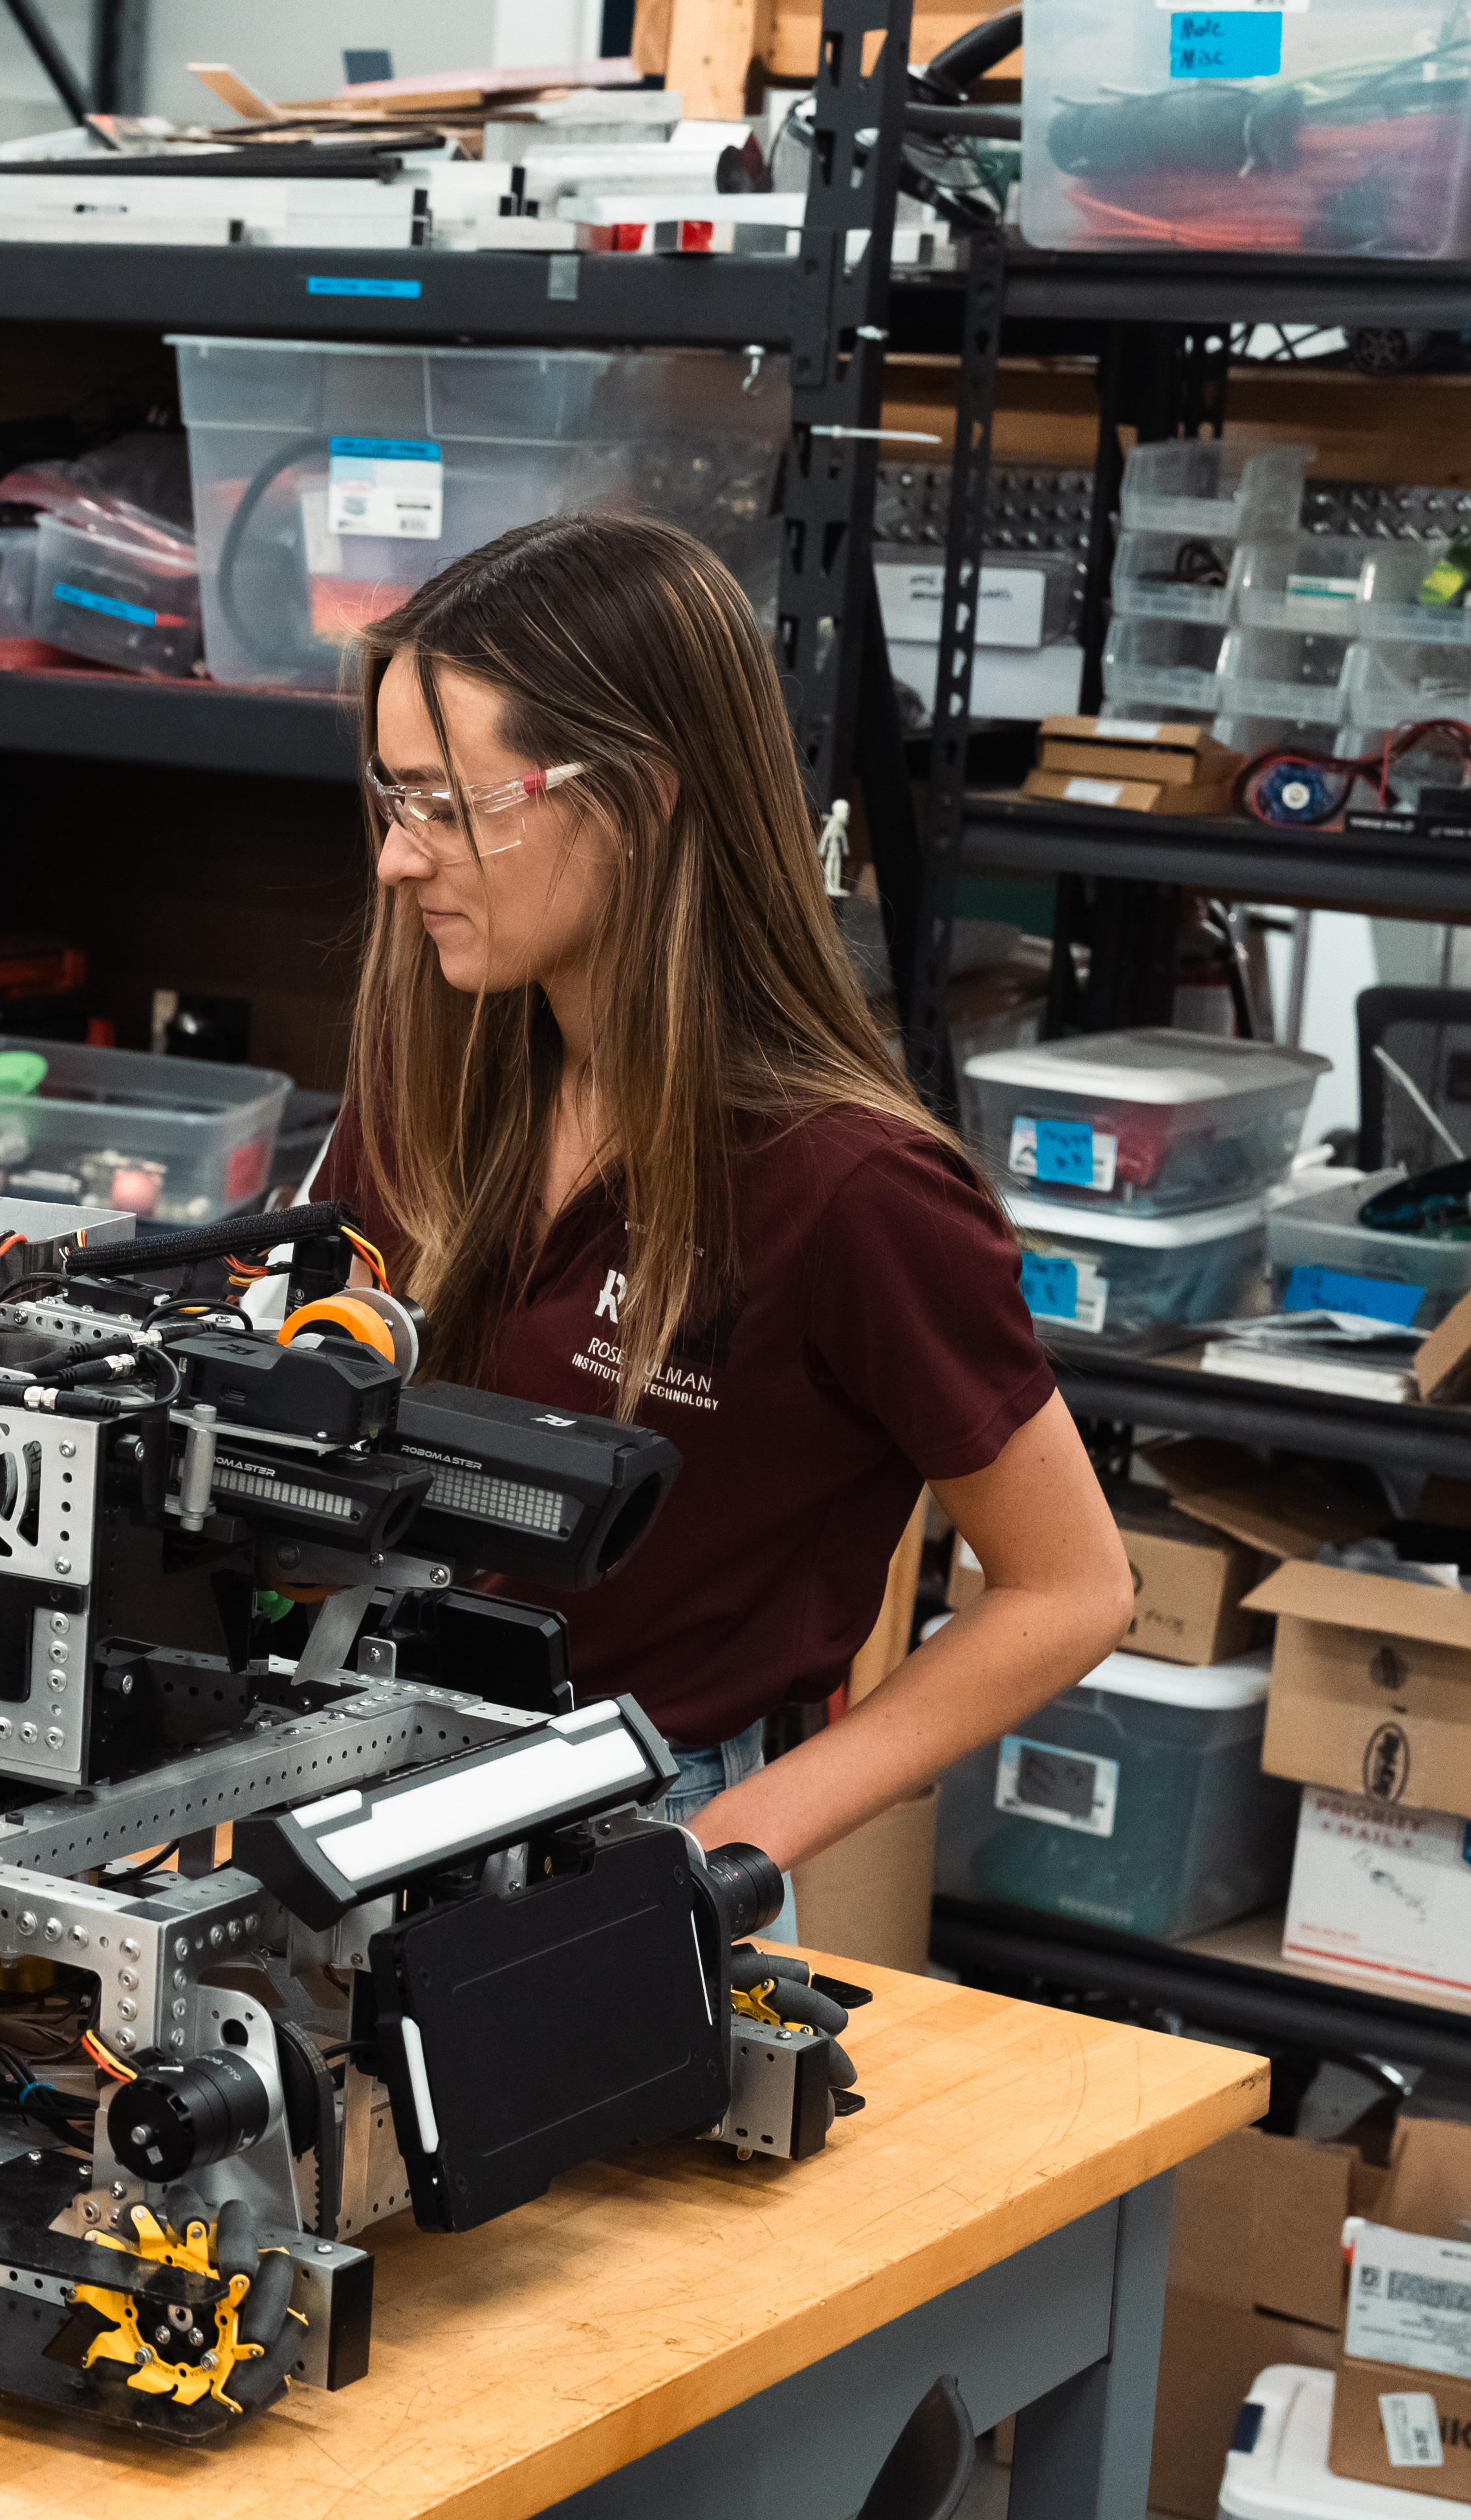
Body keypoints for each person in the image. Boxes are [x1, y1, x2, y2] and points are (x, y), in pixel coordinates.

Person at [311, 512, 1131, 1875]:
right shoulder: (430, 1068)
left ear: (637, 796)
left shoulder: (851, 1188)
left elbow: (1072, 1585)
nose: (400, 858)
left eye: (449, 806)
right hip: (360, 1763)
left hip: (633, 1824)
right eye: (395, 802)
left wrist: (735, 1837)